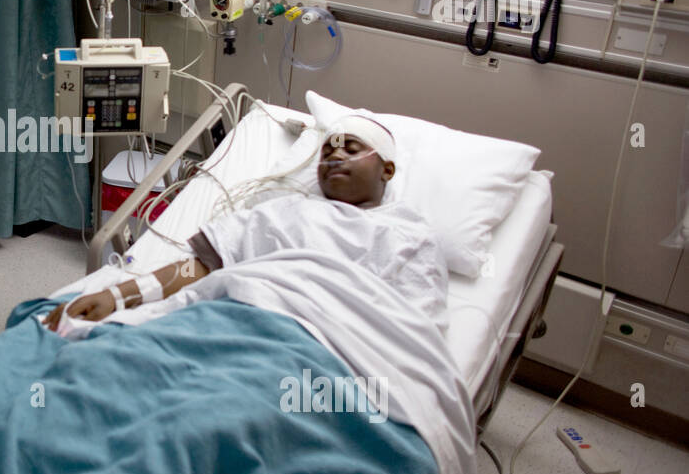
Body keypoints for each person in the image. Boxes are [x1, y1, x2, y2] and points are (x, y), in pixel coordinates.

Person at [43, 114, 416, 331]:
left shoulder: (406, 237)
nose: (335, 156)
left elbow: (410, 332)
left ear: (387, 169)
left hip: (319, 350)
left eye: (350, 149)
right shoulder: (282, 213)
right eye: (327, 150)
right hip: (237, 324)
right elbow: (202, 266)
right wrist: (117, 296)